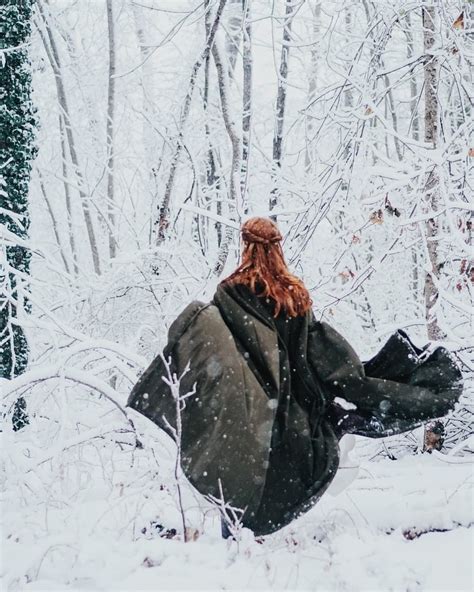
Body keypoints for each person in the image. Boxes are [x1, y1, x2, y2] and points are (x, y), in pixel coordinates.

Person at [128, 217, 463, 537]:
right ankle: (244, 543)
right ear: (278, 247)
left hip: (250, 415)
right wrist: (353, 385)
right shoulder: (293, 297)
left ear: (245, 246)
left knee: (236, 466)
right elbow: (330, 361)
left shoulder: (227, 295)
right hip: (293, 420)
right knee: (292, 452)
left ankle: (235, 544)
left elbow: (222, 354)